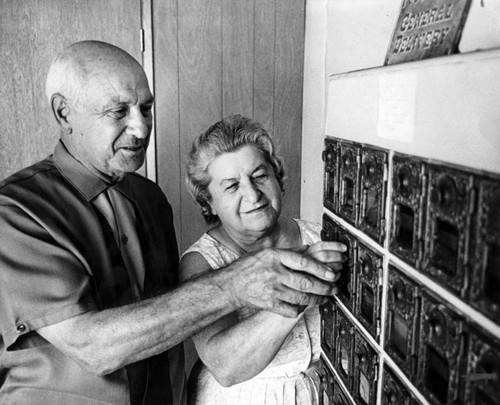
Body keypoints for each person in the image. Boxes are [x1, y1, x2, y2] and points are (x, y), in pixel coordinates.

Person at [0, 41, 344, 405]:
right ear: (63, 113)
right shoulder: (18, 211)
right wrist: (238, 284)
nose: (140, 127)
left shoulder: (149, 200)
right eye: (119, 111)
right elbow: (93, 348)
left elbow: (170, 322)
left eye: (145, 108)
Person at [180, 114, 346, 405]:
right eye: (232, 186)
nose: (252, 194)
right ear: (209, 203)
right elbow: (226, 367)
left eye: (259, 176)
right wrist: (303, 287)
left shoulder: (318, 234)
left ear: (277, 178)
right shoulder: (201, 262)